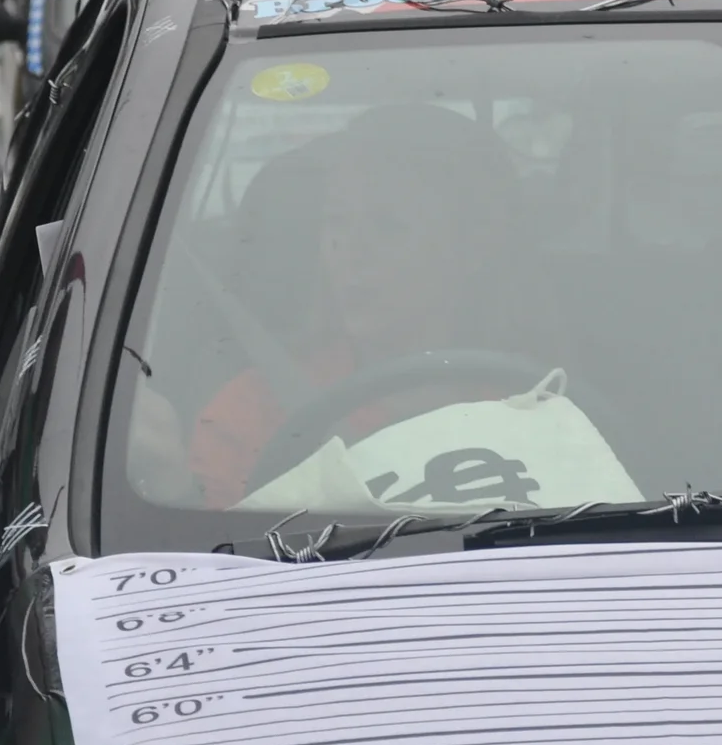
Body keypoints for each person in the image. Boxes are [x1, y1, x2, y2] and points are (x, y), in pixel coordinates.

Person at [187, 105, 531, 506]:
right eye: (337, 221)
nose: (349, 252)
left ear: (474, 247)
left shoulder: (543, 406)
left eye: (388, 226)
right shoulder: (255, 412)